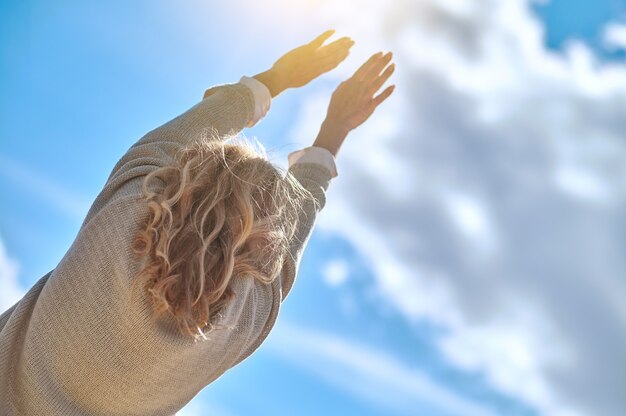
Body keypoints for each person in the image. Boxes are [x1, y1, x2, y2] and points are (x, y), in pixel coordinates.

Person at [0, 29, 395, 415]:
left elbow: (196, 125)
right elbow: (299, 219)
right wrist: (335, 128)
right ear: (263, 240)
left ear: (185, 175)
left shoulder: (129, 205)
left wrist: (280, 77)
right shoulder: (248, 313)